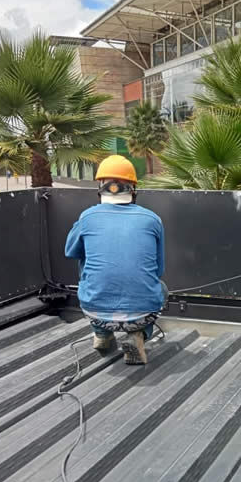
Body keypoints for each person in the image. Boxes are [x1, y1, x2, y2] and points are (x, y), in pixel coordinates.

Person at [64, 155, 166, 365]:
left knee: (86, 265)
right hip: (143, 311)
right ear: (133, 189)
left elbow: (70, 251)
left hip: (95, 309)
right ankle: (139, 335)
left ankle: (101, 333)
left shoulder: (87, 216)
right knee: (161, 288)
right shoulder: (152, 219)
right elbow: (159, 269)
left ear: (100, 187)